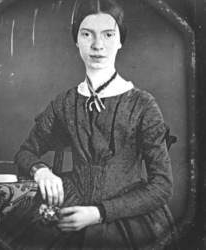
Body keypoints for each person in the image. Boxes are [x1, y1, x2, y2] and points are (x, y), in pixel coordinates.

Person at [14, 0, 179, 249]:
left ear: (120, 40)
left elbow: (162, 186)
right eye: (87, 34)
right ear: (76, 40)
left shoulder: (143, 104)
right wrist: (42, 171)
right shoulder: (65, 103)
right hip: (70, 210)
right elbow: (25, 153)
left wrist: (99, 213)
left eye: (108, 35)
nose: (97, 45)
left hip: (128, 219)